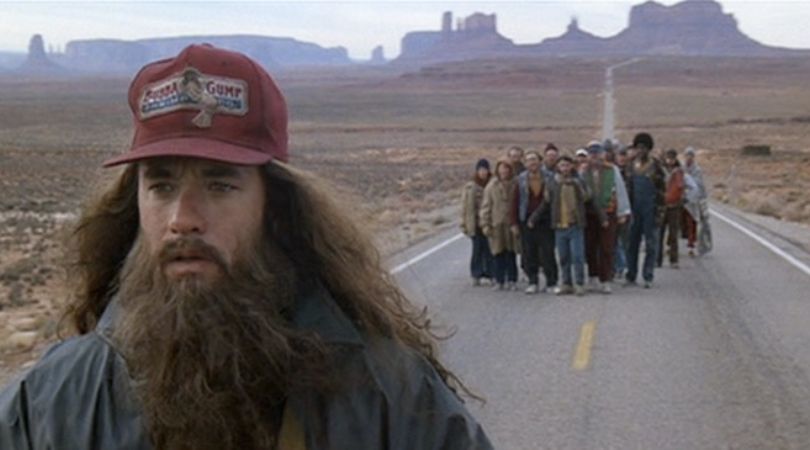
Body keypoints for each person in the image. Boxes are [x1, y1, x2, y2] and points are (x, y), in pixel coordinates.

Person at [0, 45, 492, 450]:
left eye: (220, 185)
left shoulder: (388, 398)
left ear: (274, 207)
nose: (182, 220)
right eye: (161, 186)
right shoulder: (52, 403)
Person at [530, 155, 590, 296]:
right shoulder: (552, 183)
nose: (565, 168)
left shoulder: (578, 181)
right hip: (559, 226)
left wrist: (576, 185)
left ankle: (579, 283)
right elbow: (546, 202)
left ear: (572, 166)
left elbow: (587, 197)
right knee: (563, 257)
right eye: (562, 165)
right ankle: (566, 283)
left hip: (575, 225)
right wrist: (534, 217)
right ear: (558, 167)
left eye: (567, 165)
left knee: (577, 256)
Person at [581, 141, 630, 294]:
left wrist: (622, 211)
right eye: (592, 153)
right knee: (590, 247)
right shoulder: (583, 171)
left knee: (607, 247)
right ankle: (592, 277)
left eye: (597, 153)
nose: (595, 156)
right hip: (589, 215)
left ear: (603, 154)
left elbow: (620, 190)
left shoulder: (612, 170)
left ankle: (605, 279)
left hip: (609, 212)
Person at [511, 151, 557, 294]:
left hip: (546, 220)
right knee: (529, 252)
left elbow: (555, 199)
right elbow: (515, 202)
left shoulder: (550, 178)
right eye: (529, 160)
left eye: (534, 159)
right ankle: (533, 281)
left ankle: (551, 282)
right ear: (525, 163)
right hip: (526, 219)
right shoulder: (520, 179)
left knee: (548, 252)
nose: (532, 162)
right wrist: (513, 223)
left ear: (540, 161)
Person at [624, 132, 666, 288]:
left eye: (644, 148)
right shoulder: (629, 166)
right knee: (631, 244)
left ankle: (648, 275)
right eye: (638, 147)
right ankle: (631, 275)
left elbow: (662, 191)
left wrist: (660, 213)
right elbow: (626, 189)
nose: (640, 150)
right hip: (634, 210)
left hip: (651, 210)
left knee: (650, 245)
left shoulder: (656, 166)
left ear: (649, 149)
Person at [480, 158, 519, 291]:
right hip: (496, 224)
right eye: (502, 168)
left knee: (511, 253)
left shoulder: (516, 184)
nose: (504, 171)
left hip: (511, 225)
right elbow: (486, 206)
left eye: (507, 168)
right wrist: (485, 224)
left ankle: (512, 279)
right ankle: (499, 280)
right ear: (497, 170)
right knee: (497, 253)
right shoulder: (492, 186)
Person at [461, 158, 494, 286]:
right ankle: (476, 274)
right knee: (477, 250)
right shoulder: (470, 187)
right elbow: (465, 207)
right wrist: (464, 224)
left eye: (485, 170)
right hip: (474, 223)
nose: (483, 172)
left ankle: (491, 274)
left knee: (490, 250)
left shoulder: (492, 184)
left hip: (488, 222)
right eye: (480, 170)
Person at [657, 149, 685, 268]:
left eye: (672, 158)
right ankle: (657, 260)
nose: (670, 160)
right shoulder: (660, 171)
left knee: (673, 234)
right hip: (662, 206)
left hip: (675, 206)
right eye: (668, 158)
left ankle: (674, 260)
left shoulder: (679, 172)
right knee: (659, 234)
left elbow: (682, 186)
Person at [682, 146, 712, 256]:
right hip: (682, 199)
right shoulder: (682, 169)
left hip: (693, 201)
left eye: (691, 155)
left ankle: (692, 244)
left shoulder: (697, 170)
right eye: (687, 155)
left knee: (693, 222)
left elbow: (699, 186)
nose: (689, 158)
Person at [613, 148, 632, 279]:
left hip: (629, 211)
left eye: (624, 156)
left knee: (626, 241)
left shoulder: (632, 172)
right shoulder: (612, 171)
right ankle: (618, 267)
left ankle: (626, 266)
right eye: (620, 156)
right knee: (614, 241)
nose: (622, 159)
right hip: (614, 211)